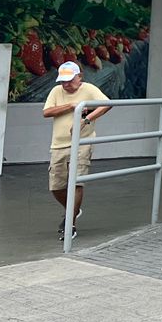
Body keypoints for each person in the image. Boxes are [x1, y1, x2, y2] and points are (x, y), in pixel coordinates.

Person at [42, 61, 110, 239]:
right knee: (56, 187)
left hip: (82, 141)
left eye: (70, 80)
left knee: (76, 181)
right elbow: (47, 112)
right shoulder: (56, 92)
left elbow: (107, 104)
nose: (65, 85)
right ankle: (74, 210)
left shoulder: (89, 89)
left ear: (79, 77)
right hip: (59, 144)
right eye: (62, 81)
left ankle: (70, 223)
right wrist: (72, 106)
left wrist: (86, 119)